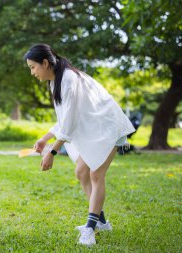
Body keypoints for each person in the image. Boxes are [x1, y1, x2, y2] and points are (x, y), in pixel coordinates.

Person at [24, 44, 135, 246]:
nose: (32, 72)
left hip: (108, 128)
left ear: (45, 63)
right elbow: (65, 119)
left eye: (33, 67)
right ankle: (101, 222)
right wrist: (45, 138)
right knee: (82, 172)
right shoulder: (56, 81)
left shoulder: (69, 79)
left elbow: (71, 121)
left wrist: (53, 152)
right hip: (96, 130)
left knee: (96, 175)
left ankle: (90, 230)